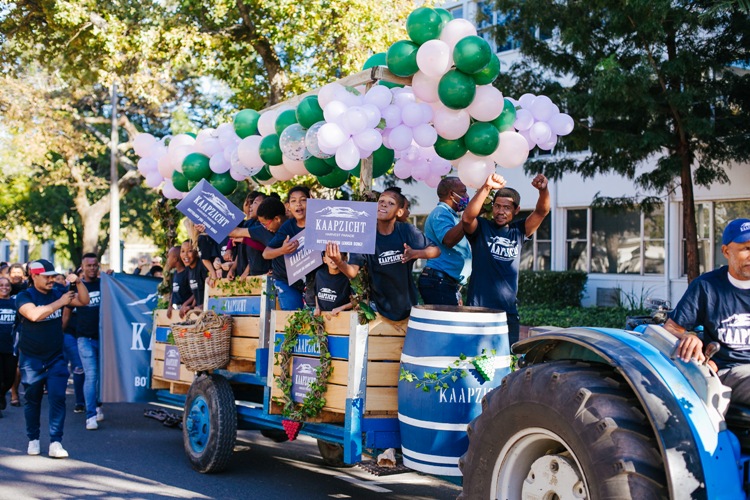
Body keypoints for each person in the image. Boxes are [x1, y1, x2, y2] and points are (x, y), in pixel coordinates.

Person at [664, 218, 750, 405]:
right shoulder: (707, 286)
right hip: (730, 370)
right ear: (726, 251)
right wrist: (688, 335)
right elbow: (670, 326)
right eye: (746, 248)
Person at [462, 173, 550, 345]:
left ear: (516, 210)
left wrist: (543, 190)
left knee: (507, 359)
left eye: (507, 208)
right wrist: (486, 187)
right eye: (497, 206)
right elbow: (467, 218)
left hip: (507, 310)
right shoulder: (482, 228)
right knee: (474, 359)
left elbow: (542, 211)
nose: (501, 212)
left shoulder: (519, 231)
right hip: (478, 308)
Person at [329, 189, 440, 322]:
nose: (383, 204)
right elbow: (352, 272)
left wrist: (415, 253)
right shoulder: (364, 235)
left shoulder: (406, 231)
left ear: (399, 212)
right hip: (378, 308)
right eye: (381, 201)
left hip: (407, 307)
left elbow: (436, 251)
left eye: (390, 203)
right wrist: (339, 261)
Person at [16, 259, 90, 458]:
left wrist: (79, 282)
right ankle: (33, 438)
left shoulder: (58, 291)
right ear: (34, 275)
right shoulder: (24, 295)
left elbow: (84, 301)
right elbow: (33, 315)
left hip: (55, 357)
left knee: (58, 397)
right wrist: (60, 302)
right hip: (31, 359)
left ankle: (56, 442)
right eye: (46, 276)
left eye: (52, 276)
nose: (51, 279)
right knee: (33, 399)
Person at [418, 177, 473, 306]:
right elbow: (448, 240)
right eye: (463, 191)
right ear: (451, 194)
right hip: (439, 281)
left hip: (446, 282)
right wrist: (468, 218)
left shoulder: (451, 215)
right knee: (444, 325)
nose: (467, 196)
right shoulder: (440, 213)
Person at [263, 186, 311, 310]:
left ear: (310, 201)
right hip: (286, 281)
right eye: (293, 201)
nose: (298, 204)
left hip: (313, 281)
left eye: (303, 200)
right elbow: (266, 253)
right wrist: (282, 250)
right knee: (293, 317)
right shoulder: (286, 227)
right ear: (288, 206)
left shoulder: (319, 222)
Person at [74, 253, 105, 430]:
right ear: (82, 267)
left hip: (103, 336)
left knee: (101, 376)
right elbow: (68, 310)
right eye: (88, 265)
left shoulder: (105, 284)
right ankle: (90, 415)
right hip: (84, 337)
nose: (92, 268)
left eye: (95, 265)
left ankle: (98, 404)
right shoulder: (77, 285)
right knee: (91, 375)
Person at [61, 269, 86, 415]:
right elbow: (65, 315)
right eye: (78, 277)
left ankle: (92, 401)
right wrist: (59, 333)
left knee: (88, 370)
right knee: (78, 367)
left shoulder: (97, 290)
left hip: (89, 335)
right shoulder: (68, 292)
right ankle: (80, 402)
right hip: (70, 334)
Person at [314, 247, 353, 317]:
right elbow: (316, 294)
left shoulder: (348, 277)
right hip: (322, 318)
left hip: (342, 317)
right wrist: (317, 307)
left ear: (345, 258)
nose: (333, 258)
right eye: (329, 255)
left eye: (337, 254)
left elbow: (356, 301)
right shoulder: (319, 274)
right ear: (324, 259)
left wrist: (342, 308)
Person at [0, 276, 17, 417]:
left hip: (11, 346)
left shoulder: (15, 303)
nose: (4, 287)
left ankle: (1, 395)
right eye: (1, 285)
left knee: (10, 378)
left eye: (7, 285)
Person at [181, 240, 207, 318]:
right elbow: (197, 291)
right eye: (182, 251)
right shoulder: (189, 269)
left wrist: (203, 306)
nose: (185, 255)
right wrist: (191, 307)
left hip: (209, 311)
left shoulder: (203, 267)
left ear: (196, 252)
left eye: (189, 251)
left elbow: (211, 290)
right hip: (200, 313)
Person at [166, 245, 192, 319]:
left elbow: (194, 293)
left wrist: (185, 305)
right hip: (175, 310)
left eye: (168, 257)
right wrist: (170, 306)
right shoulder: (175, 274)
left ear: (175, 259)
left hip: (186, 311)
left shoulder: (188, 272)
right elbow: (173, 292)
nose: (167, 260)